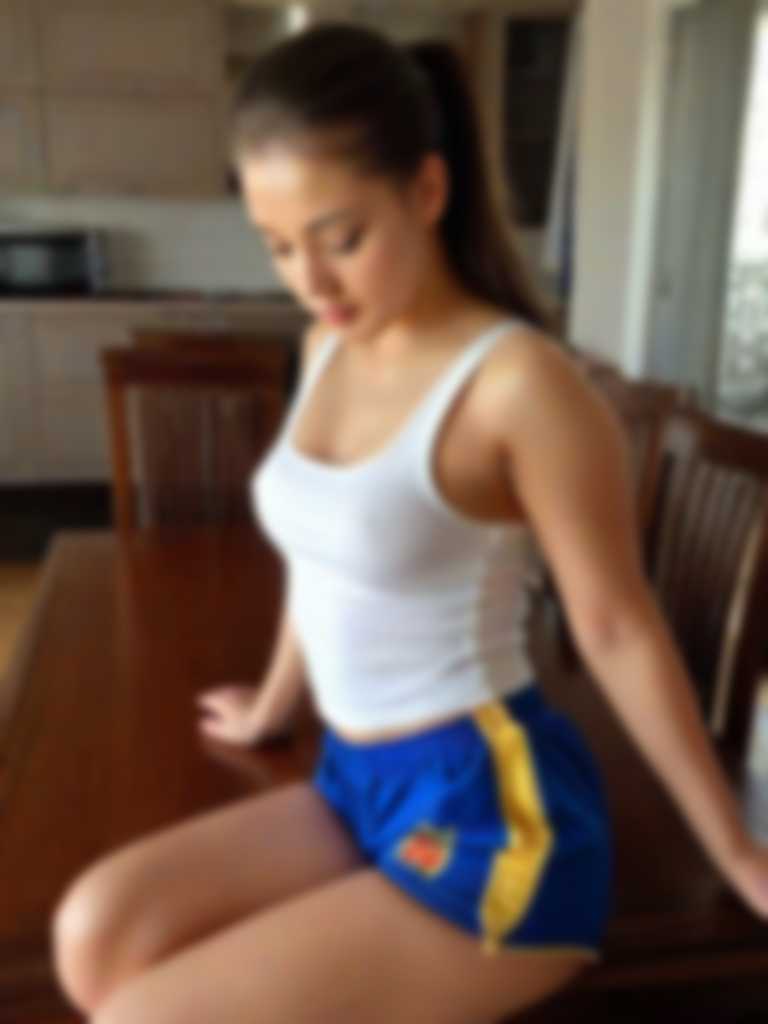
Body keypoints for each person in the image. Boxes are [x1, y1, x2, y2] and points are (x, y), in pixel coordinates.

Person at [51, 22, 768, 1024]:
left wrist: (735, 847)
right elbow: (321, 560)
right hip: (356, 780)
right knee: (96, 933)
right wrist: (272, 705)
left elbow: (615, 627)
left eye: (340, 239)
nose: (312, 282)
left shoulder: (520, 385)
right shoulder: (327, 347)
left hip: (490, 814)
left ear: (427, 190)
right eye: (279, 247)